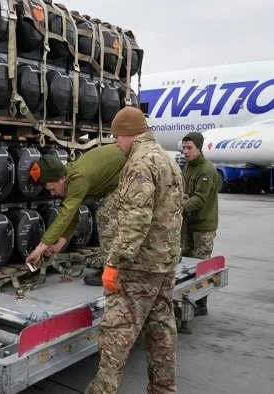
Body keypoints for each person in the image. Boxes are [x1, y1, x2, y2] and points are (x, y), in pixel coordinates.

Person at [85, 106, 184, 394]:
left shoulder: (140, 163)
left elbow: (135, 218)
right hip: (164, 263)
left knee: (116, 332)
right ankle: (163, 389)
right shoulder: (168, 160)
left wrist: (114, 262)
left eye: (117, 137)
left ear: (128, 134)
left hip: (139, 266)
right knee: (161, 330)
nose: (116, 143)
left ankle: (102, 390)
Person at [24, 144, 127, 286]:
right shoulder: (70, 177)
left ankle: (114, 272)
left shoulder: (78, 178)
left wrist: (39, 249)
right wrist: (58, 245)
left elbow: (66, 215)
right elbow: (72, 216)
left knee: (106, 215)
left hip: (132, 170)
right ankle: (112, 267)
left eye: (52, 188)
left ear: (61, 179)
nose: (52, 194)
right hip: (122, 175)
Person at [180, 131, 219, 318]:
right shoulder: (189, 167)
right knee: (186, 264)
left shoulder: (205, 170)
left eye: (189, 148)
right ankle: (188, 300)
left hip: (203, 227)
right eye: (184, 148)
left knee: (201, 267)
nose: (185, 152)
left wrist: (177, 207)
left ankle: (201, 304)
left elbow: (199, 199)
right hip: (189, 224)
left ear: (199, 148)